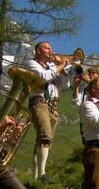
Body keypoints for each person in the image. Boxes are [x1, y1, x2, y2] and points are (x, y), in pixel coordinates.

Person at [24, 41, 70, 181]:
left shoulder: (52, 67)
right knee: (45, 135)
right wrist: (60, 65)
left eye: (51, 48)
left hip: (53, 104)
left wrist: (61, 69)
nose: (51, 50)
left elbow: (65, 84)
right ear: (38, 51)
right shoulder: (31, 63)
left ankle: (37, 176)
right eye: (47, 48)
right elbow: (43, 77)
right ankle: (42, 174)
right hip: (39, 101)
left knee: (45, 140)